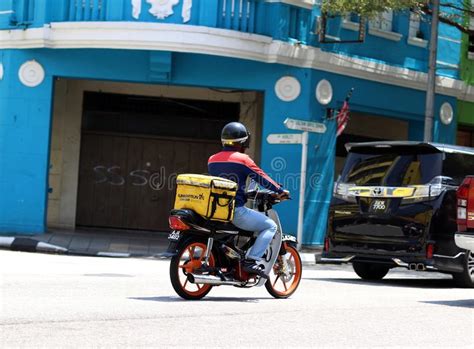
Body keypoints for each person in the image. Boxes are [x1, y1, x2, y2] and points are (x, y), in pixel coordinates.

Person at [208, 122, 289, 278]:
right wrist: (279, 190)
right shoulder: (242, 159)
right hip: (235, 211)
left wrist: (244, 193)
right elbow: (261, 177)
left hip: (216, 211)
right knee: (270, 226)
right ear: (243, 142)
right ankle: (251, 261)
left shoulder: (212, 160)